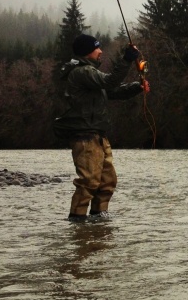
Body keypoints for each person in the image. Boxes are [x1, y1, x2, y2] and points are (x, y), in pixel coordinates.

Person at [54, 33, 149, 221]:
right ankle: (78, 223)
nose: (101, 51)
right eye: (97, 48)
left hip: (98, 136)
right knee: (89, 182)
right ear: (87, 52)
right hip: (85, 137)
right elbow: (110, 81)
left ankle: (99, 219)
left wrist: (137, 87)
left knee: (107, 181)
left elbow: (112, 91)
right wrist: (127, 59)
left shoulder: (90, 74)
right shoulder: (82, 72)